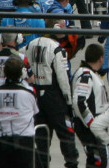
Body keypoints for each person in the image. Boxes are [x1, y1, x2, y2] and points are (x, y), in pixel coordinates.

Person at [24, 20, 79, 168]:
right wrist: (69, 102)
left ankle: (42, 165)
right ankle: (71, 164)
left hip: (36, 94)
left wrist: (27, 79)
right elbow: (63, 78)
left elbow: (18, 59)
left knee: (41, 134)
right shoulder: (57, 49)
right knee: (66, 133)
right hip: (54, 95)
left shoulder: (30, 44)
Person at [0, 57, 38, 168]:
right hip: (24, 141)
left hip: (0, 141)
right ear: (22, 73)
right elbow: (34, 112)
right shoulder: (29, 93)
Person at [72, 43, 109, 168]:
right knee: (99, 160)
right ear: (101, 58)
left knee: (96, 161)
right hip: (91, 128)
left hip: (94, 126)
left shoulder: (90, 74)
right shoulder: (86, 75)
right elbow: (79, 101)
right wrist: (92, 124)